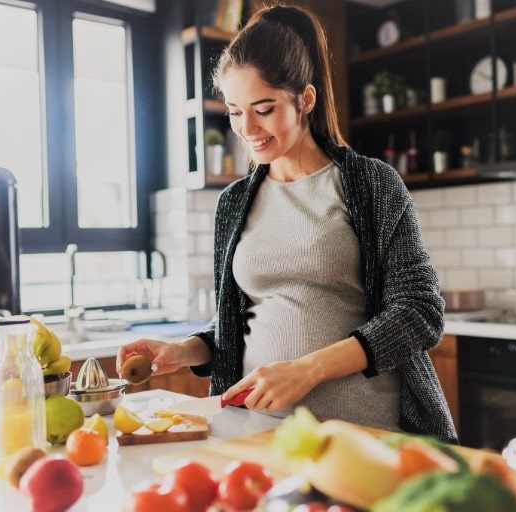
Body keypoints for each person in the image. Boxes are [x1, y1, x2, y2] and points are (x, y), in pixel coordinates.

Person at [117, 4, 456, 441]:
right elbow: (237, 325)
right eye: (235, 111)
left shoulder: (370, 184)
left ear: (306, 100)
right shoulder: (234, 203)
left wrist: (308, 370)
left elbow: (419, 312)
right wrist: (183, 351)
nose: (247, 128)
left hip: (365, 435)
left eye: (263, 108)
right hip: (259, 434)